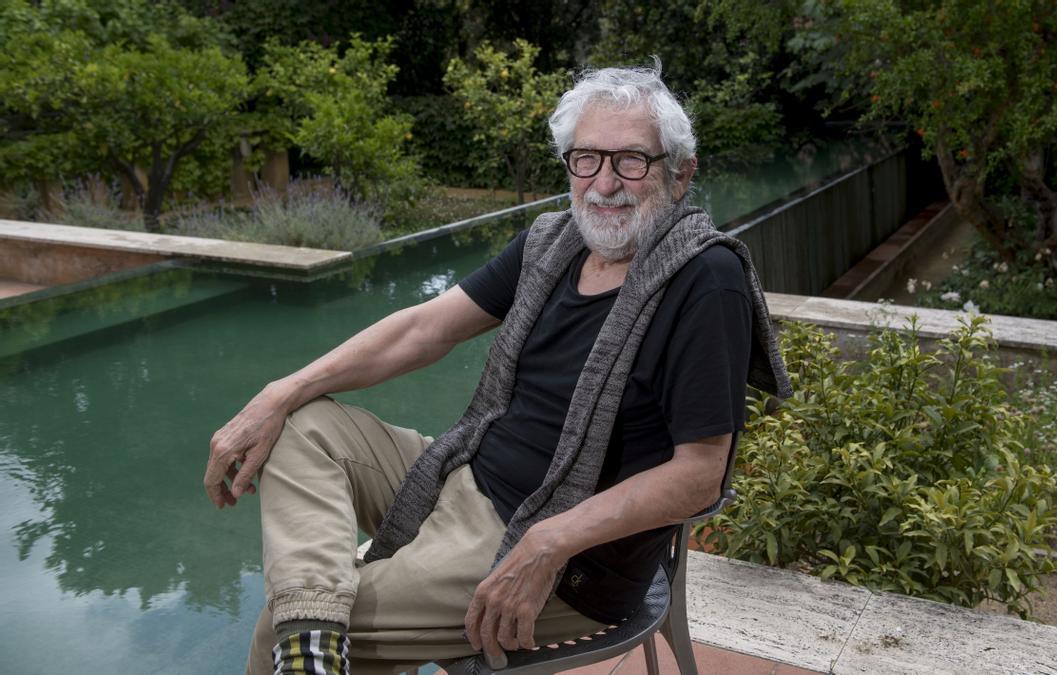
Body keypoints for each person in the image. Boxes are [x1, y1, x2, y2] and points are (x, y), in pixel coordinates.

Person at [203, 60, 791, 675]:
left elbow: (700, 477)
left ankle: (310, 644)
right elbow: (423, 329)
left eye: (631, 161)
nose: (604, 183)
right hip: (462, 470)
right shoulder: (553, 244)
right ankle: (315, 645)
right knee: (302, 422)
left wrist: (547, 541)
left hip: (568, 558)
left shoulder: (705, 279)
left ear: (679, 174)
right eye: (586, 158)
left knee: (286, 624)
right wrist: (279, 391)